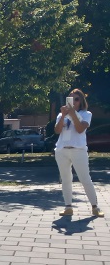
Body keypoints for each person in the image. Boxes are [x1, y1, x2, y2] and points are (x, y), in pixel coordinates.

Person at [54, 89, 103, 217]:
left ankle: (94, 207)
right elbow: (57, 131)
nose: (74, 101)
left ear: (81, 101)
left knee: (85, 178)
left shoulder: (86, 114)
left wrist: (73, 114)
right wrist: (64, 115)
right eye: (71, 98)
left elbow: (80, 129)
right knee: (65, 179)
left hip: (78, 150)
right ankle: (68, 207)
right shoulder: (61, 115)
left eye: (76, 99)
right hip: (62, 150)